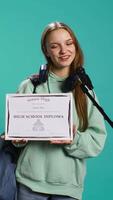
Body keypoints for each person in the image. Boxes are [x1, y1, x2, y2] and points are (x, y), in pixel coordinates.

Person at [14, 22, 107, 200]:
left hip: (68, 188)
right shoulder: (29, 87)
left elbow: (97, 141)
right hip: (28, 184)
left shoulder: (86, 90)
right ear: (46, 51)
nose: (63, 50)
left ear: (75, 46)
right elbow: (17, 136)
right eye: (55, 46)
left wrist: (73, 139)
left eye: (68, 43)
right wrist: (17, 139)